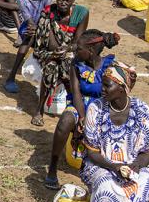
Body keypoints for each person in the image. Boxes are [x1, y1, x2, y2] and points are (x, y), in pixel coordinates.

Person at [81, 62, 149, 202]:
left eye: (107, 85)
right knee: (106, 185)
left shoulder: (142, 110)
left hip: (133, 163)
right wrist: (114, 167)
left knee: (144, 182)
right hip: (101, 163)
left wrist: (135, 167)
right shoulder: (95, 109)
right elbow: (92, 152)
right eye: (102, 84)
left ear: (122, 88)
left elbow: (147, 152)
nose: (102, 89)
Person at [44, 30, 120, 189]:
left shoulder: (109, 65)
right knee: (64, 122)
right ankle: (52, 169)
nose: (75, 51)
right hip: (80, 105)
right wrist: (84, 118)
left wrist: (94, 118)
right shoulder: (76, 65)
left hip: (102, 107)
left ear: (91, 50)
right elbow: (76, 92)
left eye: (79, 48)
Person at [31, 0, 89, 126]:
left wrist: (66, 50)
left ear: (73, 1)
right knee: (50, 69)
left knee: (70, 69)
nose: (63, 3)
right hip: (49, 51)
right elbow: (44, 41)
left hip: (70, 50)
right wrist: (56, 53)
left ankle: (74, 107)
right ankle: (39, 110)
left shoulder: (82, 13)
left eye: (67, 0)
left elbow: (78, 42)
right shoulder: (48, 12)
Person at [3, 0, 52, 93]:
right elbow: (29, 21)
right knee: (29, 36)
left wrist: (41, 27)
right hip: (28, 28)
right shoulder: (22, 0)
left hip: (44, 25)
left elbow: (47, 17)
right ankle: (11, 77)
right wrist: (36, 28)